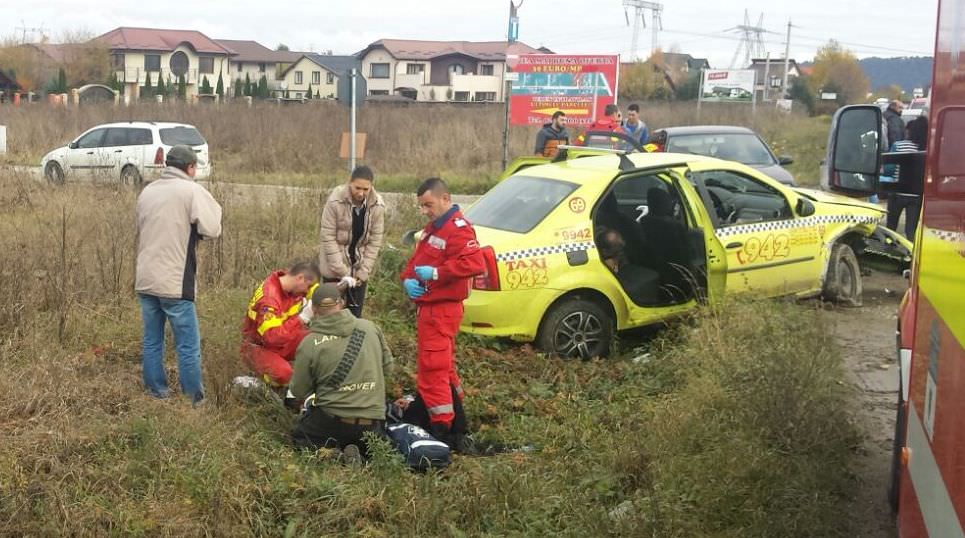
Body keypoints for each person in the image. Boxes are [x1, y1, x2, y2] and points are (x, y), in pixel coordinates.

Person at [399, 177, 485, 449]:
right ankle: (457, 418)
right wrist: (407, 280)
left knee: (433, 369)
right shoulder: (433, 230)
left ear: (445, 199)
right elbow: (415, 263)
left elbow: (474, 262)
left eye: (429, 205)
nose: (425, 210)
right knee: (443, 367)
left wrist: (438, 273)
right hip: (429, 309)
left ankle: (442, 429)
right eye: (422, 206)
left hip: (441, 310)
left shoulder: (457, 229)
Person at [135, 145, 222, 403]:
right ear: (190, 167)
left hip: (145, 278)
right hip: (175, 282)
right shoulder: (192, 191)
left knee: (152, 340)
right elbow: (212, 228)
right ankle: (193, 399)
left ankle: (156, 392)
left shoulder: (148, 190)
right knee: (187, 345)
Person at [289, 283, 394, 460]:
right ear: (342, 303)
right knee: (377, 452)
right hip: (372, 423)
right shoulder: (370, 327)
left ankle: (334, 455)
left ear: (313, 309)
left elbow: (299, 391)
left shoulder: (310, 343)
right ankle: (361, 453)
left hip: (333, 422)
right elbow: (388, 368)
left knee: (301, 439)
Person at [319, 165, 385, 318]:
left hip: (358, 270)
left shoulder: (377, 206)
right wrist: (342, 272)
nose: (361, 193)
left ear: (371, 186)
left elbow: (374, 242)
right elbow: (328, 237)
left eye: (366, 189)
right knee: (331, 315)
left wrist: (363, 272)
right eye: (357, 188)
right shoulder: (335, 201)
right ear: (350, 183)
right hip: (334, 268)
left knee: (354, 316)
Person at [241, 262, 320, 387]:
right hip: (258, 347)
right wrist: (302, 318)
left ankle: (312, 377)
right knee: (284, 374)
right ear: (300, 278)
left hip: (282, 341)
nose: (307, 291)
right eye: (308, 286)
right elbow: (272, 338)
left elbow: (316, 291)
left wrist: (341, 286)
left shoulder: (291, 286)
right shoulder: (269, 298)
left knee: (319, 341)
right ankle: (259, 382)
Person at [885, 116, 928, 239]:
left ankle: (889, 251)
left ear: (910, 131)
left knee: (891, 227)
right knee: (911, 230)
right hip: (917, 195)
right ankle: (911, 253)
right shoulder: (928, 149)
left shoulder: (899, 145)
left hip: (897, 193)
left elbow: (890, 169)